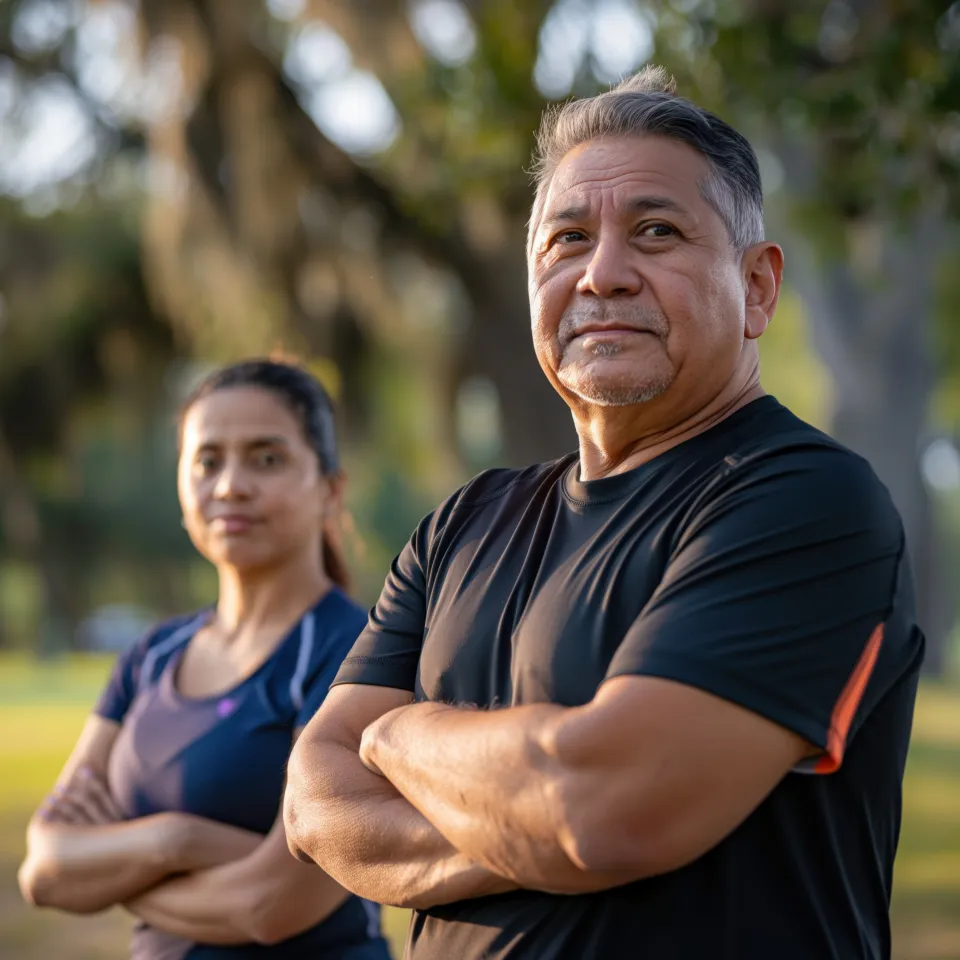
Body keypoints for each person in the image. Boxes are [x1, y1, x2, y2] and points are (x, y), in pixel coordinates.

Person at [282, 66, 925, 960]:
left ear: (759, 288)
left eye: (657, 233)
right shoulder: (464, 524)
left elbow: (606, 808)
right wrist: (537, 822)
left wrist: (397, 735)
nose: (604, 275)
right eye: (567, 239)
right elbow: (316, 806)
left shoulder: (806, 501)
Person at [19, 358, 391, 960]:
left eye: (266, 458)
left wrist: (115, 868)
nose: (230, 486)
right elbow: (44, 869)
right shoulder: (151, 655)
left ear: (330, 489)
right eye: (207, 461)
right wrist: (175, 841)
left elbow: (270, 905)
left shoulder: (356, 651)